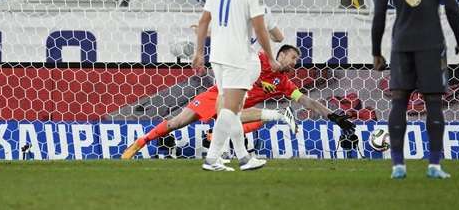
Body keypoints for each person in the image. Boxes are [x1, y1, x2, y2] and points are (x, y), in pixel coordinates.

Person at [122, 45, 357, 160]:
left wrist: (334, 116)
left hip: (239, 108)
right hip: (219, 94)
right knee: (177, 122)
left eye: (298, 59)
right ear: (281, 54)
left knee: (255, 120)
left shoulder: (284, 83)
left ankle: (217, 137)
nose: (295, 62)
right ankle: (140, 142)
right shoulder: (260, 58)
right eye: (293, 57)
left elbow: (307, 101)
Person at [371, 0, 459, 179]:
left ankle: (398, 166)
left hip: (401, 43)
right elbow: (451, 7)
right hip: (431, 42)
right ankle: (434, 165)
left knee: (399, 101)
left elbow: (378, 15)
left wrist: (376, 51)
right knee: (434, 101)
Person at [190, 0, 277, 172]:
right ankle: (212, 159)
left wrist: (199, 52)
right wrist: (271, 57)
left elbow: (202, 23)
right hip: (237, 56)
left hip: (217, 55)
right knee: (230, 110)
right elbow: (260, 30)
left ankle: (244, 158)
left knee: (234, 109)